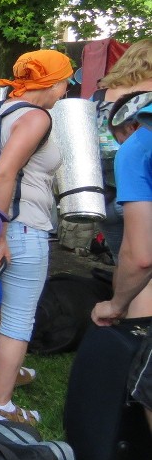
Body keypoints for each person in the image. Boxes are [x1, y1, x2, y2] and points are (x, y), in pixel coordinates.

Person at [0, 49, 72, 425]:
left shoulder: (3, 109)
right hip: (21, 226)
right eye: (66, 81)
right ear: (51, 83)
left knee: (10, 304)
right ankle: (1, 406)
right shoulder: (36, 117)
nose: (67, 90)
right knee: (20, 316)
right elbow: (1, 175)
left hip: (3, 225)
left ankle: (4, 371)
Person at [92, 98, 152, 433]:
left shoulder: (139, 145)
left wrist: (114, 305)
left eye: (118, 137)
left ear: (131, 125)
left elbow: (141, 256)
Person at [91, 39, 152, 259]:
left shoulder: (97, 97)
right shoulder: (148, 96)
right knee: (144, 268)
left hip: (106, 198)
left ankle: (122, 295)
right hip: (143, 193)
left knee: (124, 263)